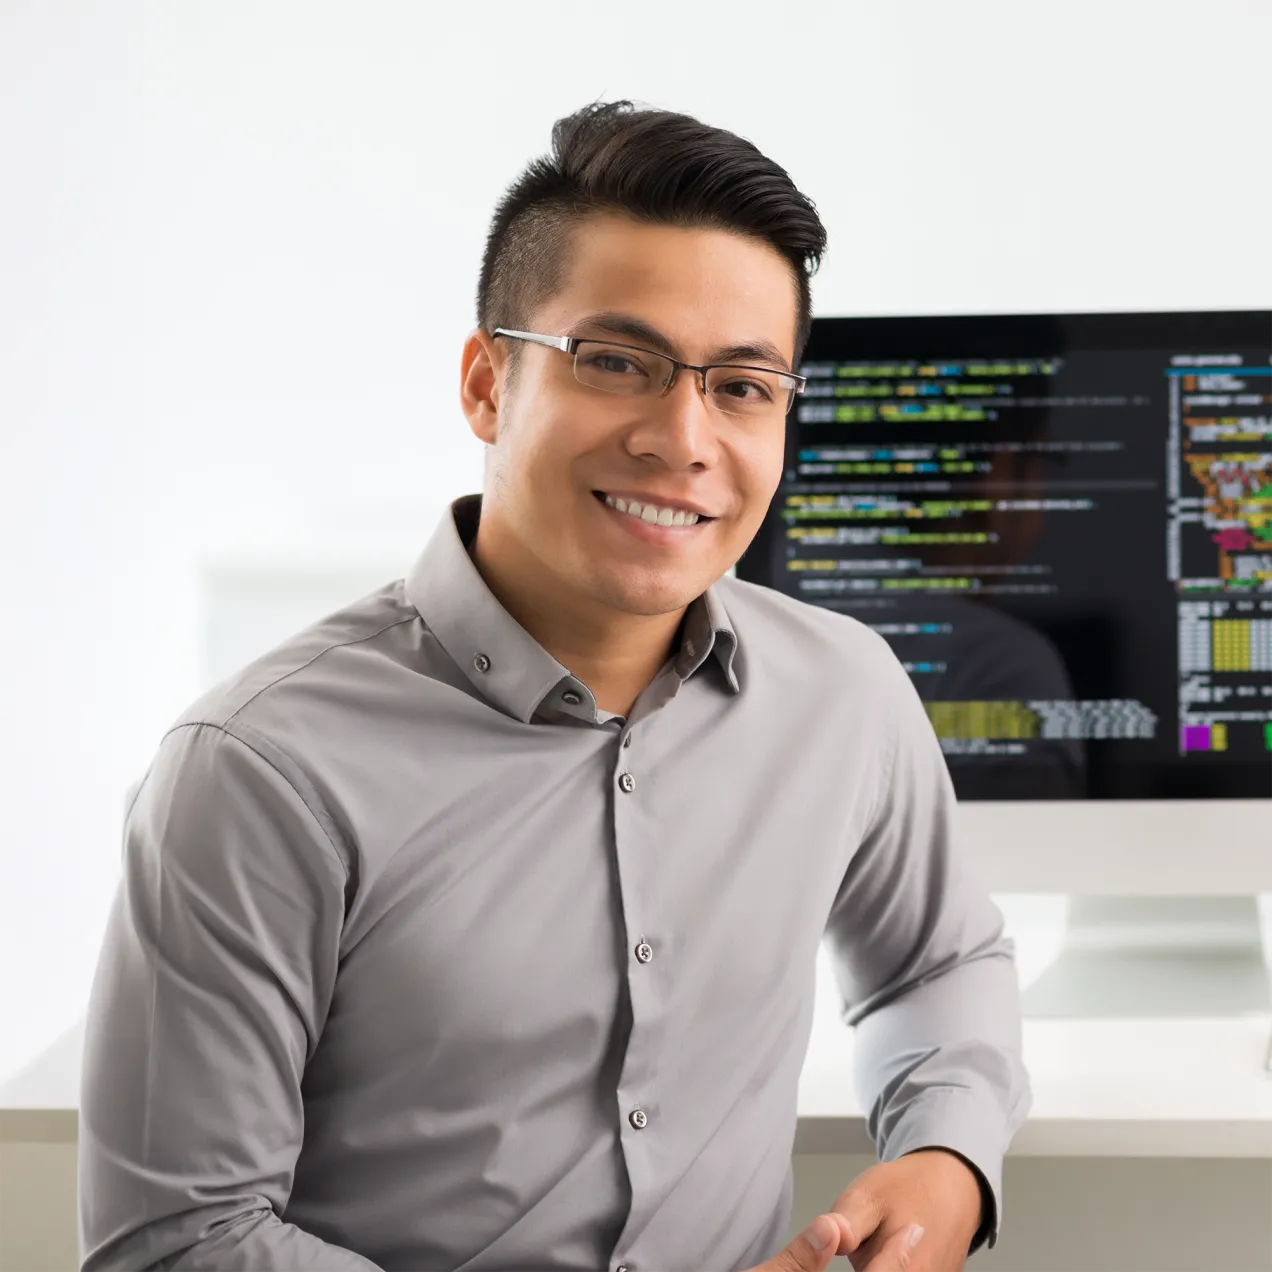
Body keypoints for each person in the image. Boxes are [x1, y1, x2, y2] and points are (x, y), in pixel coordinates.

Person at [78, 100, 1031, 1272]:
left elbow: (941, 964)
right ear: (487, 384)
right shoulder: (257, 770)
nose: (683, 439)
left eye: (742, 386)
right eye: (617, 363)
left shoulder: (845, 692)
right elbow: (177, 1245)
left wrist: (946, 1159)